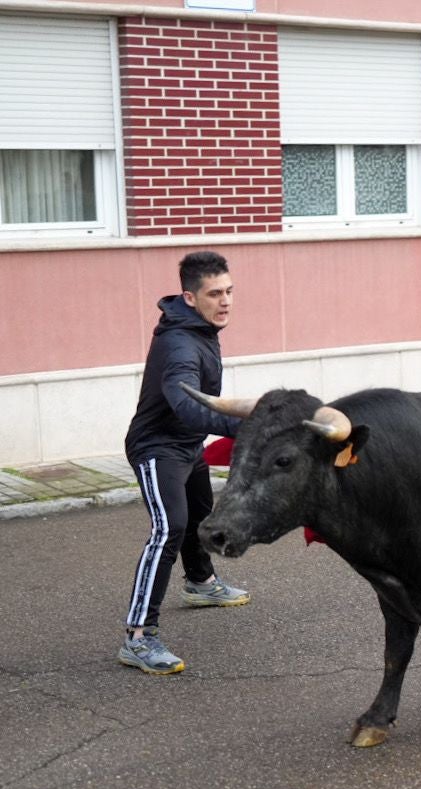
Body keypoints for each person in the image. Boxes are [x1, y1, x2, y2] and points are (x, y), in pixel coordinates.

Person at [120, 251, 251, 675]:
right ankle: (139, 637)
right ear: (190, 297)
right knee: (169, 528)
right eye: (215, 293)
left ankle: (200, 583)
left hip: (186, 445)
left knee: (200, 514)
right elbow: (187, 407)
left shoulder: (199, 327)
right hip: (158, 448)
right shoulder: (179, 343)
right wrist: (242, 428)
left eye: (229, 291)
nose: (226, 300)